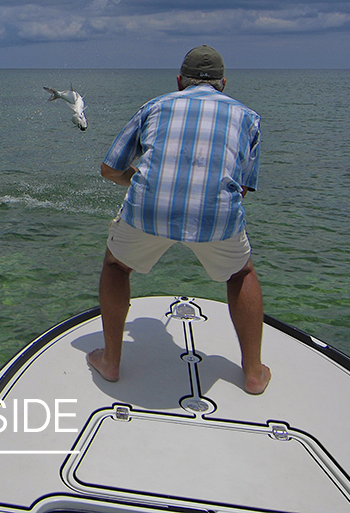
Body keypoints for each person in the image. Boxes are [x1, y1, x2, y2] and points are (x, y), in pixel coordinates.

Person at [87, 45, 272, 395]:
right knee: (241, 274)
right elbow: (244, 188)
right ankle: (253, 373)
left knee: (116, 266)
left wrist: (136, 179)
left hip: (149, 209)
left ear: (179, 81)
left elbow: (109, 170)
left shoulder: (154, 106)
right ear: (223, 84)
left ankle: (110, 361)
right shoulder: (248, 117)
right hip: (216, 215)